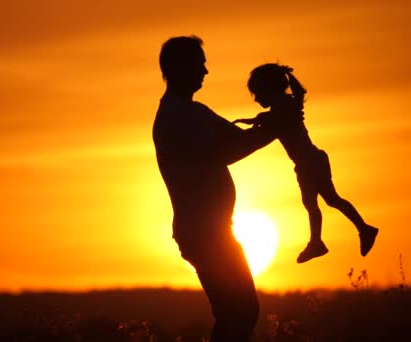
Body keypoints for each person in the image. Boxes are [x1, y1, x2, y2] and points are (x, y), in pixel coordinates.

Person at [152, 36, 275, 342]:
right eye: (200, 63)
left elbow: (238, 137)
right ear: (179, 67)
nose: (206, 71)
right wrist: (276, 128)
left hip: (216, 231)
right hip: (203, 233)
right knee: (239, 311)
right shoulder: (175, 117)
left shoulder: (194, 111)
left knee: (241, 311)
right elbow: (226, 151)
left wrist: (271, 123)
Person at [234, 63, 379, 263]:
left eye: (258, 94)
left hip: (309, 162)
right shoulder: (285, 105)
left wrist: (254, 123)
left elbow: (274, 122)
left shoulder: (284, 107)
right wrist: (255, 120)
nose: (257, 99)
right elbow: (275, 117)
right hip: (311, 160)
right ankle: (359, 230)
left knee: (315, 203)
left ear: (270, 89)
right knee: (330, 200)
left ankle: (319, 242)